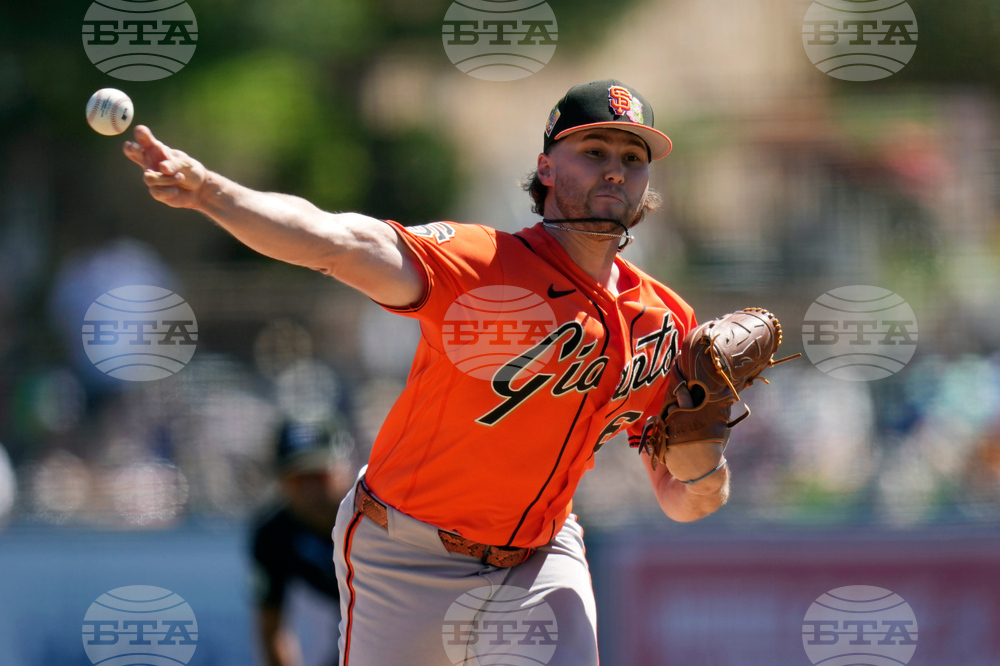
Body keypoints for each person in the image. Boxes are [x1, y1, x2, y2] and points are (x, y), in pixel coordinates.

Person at [124, 79, 731, 665]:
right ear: (546, 167)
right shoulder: (479, 263)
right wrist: (210, 192)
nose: (616, 169)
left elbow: (684, 500)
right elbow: (335, 241)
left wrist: (710, 452)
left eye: (634, 155)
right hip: (406, 554)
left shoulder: (665, 322)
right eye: (593, 150)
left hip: (537, 560)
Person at [250, 421, 353, 666]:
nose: (310, 490)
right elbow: (271, 628)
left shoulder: (377, 517)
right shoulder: (273, 537)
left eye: (319, 476)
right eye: (297, 479)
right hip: (354, 625)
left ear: (343, 469)